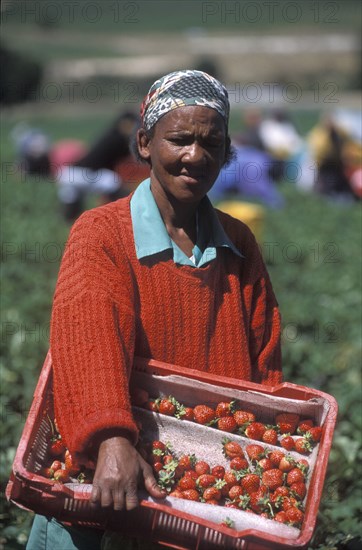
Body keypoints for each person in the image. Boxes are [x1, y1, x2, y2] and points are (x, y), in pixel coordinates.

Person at [26, 69, 282, 550]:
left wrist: (260, 452)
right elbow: (88, 340)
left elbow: (264, 359)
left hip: (199, 488)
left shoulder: (238, 243)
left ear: (227, 152)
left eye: (211, 143)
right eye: (179, 139)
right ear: (144, 143)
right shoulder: (103, 232)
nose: (195, 157)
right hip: (106, 483)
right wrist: (110, 439)